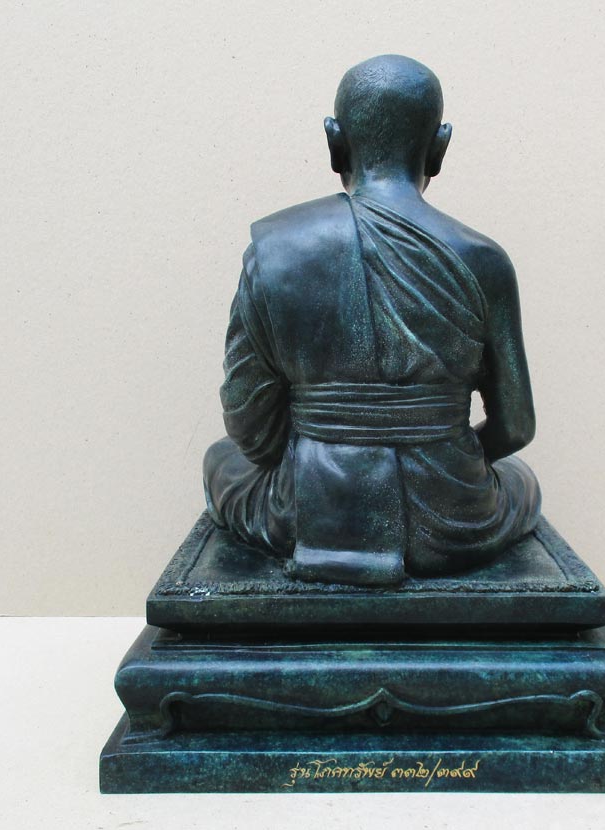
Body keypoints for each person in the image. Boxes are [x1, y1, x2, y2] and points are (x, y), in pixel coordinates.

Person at [203, 55, 541, 586]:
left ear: (334, 142)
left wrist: (317, 447)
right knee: (521, 481)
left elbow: (247, 425)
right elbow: (516, 426)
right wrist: (440, 451)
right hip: (453, 521)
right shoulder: (485, 259)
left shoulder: (278, 249)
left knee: (220, 460)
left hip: (313, 511)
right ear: (440, 147)